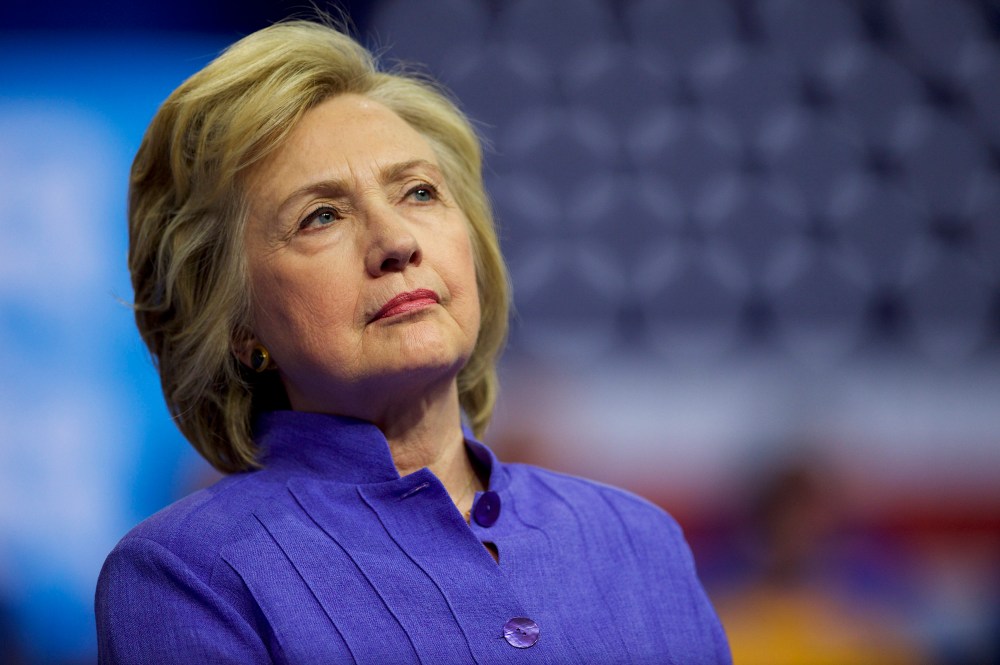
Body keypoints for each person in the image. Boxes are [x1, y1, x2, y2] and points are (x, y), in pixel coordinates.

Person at [95, 19, 731, 664]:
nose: (397, 242)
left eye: (419, 192)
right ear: (234, 321)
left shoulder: (637, 539)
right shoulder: (191, 577)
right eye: (322, 216)